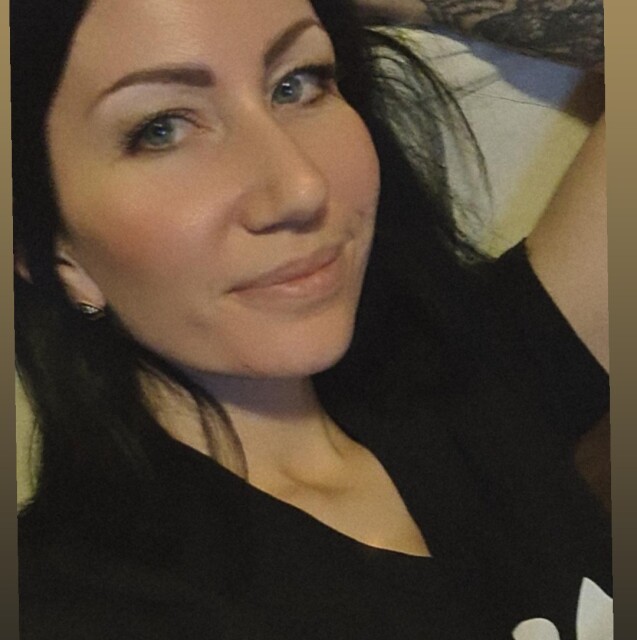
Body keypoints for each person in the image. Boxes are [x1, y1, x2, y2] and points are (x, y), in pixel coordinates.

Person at [12, 0, 609, 638]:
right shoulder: (73, 603)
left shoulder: (475, 374)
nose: (302, 187)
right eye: (161, 129)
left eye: (298, 83)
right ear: (52, 251)